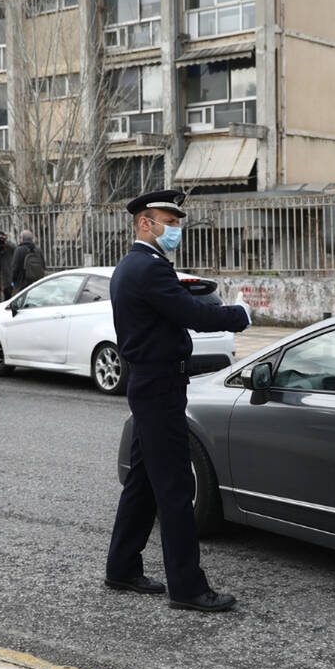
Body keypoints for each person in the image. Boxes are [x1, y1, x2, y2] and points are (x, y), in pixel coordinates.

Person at [104, 188, 252, 613]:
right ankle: (187, 588)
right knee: (175, 487)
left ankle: (121, 567)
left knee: (143, 481)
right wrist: (239, 315)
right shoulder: (149, 268)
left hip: (149, 383)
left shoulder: (132, 266)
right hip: (160, 386)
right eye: (168, 222)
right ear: (144, 223)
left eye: (176, 223)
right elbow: (194, 315)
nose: (175, 229)